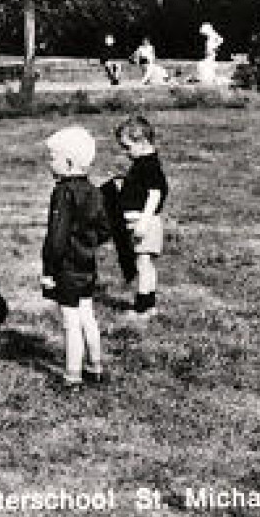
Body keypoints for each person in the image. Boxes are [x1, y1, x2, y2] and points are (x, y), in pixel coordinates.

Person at [39, 125, 112, 391]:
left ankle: (72, 375)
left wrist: (49, 269)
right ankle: (96, 367)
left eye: (52, 157)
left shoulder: (63, 192)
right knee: (87, 316)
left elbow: (56, 236)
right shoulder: (94, 191)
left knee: (70, 321)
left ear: (68, 162)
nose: (49, 163)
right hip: (87, 265)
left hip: (67, 267)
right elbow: (105, 228)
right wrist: (89, 243)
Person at [101, 115, 170, 318]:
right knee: (145, 264)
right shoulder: (143, 162)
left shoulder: (149, 165)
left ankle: (142, 307)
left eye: (127, 146)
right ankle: (149, 304)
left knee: (143, 264)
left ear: (143, 142)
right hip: (141, 221)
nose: (125, 152)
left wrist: (143, 222)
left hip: (144, 222)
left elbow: (155, 194)